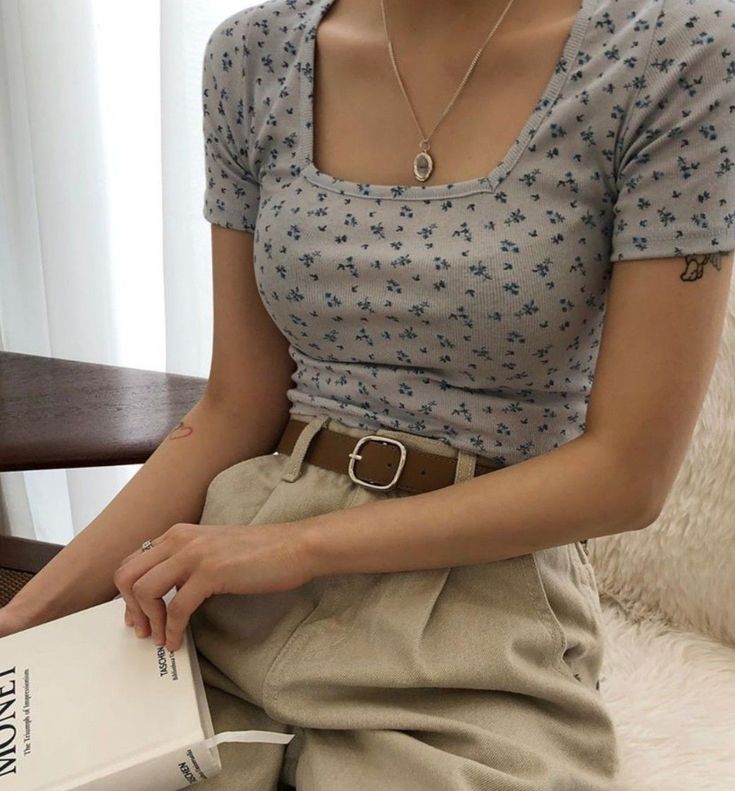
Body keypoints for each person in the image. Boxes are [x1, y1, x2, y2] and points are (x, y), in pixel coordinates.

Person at [2, 0, 734, 788]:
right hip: (227, 583)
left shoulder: (673, 52)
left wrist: (297, 548)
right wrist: (22, 623)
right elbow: (234, 409)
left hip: (475, 597)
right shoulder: (254, 55)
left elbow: (625, 476)